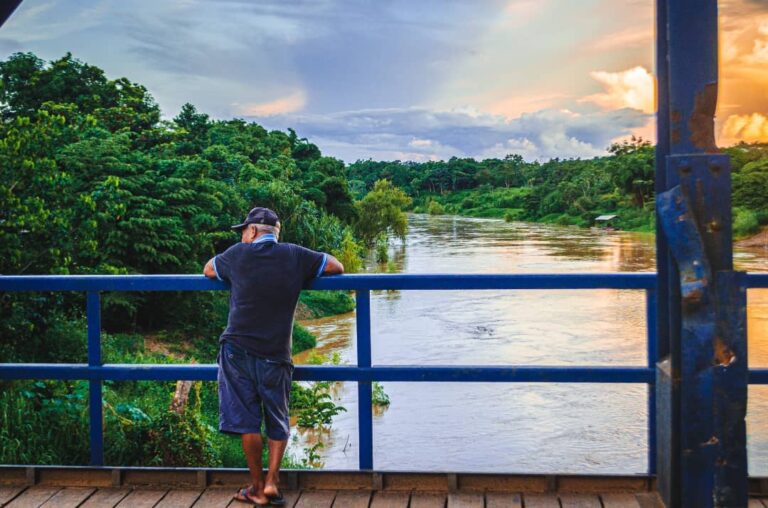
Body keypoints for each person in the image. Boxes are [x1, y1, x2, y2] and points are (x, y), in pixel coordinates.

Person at [203, 206, 344, 506]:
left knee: (247, 421)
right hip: (276, 353)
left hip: (236, 350)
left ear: (253, 231)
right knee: (278, 417)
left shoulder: (237, 255)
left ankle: (255, 487)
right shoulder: (294, 255)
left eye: (244, 231)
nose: (242, 236)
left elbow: (208, 270)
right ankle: (272, 482)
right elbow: (336, 266)